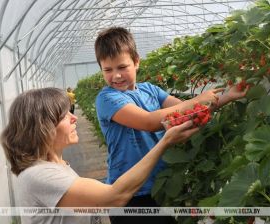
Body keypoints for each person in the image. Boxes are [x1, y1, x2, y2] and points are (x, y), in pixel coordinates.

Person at [94, 27, 248, 224]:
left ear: (137, 61)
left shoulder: (150, 90)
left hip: (163, 184)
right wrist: (197, 99)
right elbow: (149, 122)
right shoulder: (107, 98)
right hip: (130, 194)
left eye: (122, 67)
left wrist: (227, 96)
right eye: (108, 70)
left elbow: (185, 111)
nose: (116, 75)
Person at [0, 87, 199, 224]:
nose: (74, 117)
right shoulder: (40, 175)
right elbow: (114, 197)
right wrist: (164, 142)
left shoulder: (58, 165)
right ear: (42, 127)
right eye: (64, 115)